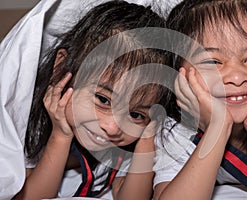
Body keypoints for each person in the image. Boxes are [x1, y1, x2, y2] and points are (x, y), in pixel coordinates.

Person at [12, 1, 173, 199]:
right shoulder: (28, 122)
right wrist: (60, 136)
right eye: (103, 100)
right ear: (61, 68)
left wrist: (147, 140)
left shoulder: (129, 143)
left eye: (135, 114)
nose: (113, 127)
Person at [153, 0, 247, 199]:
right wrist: (217, 128)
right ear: (179, 77)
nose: (237, 78)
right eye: (212, 62)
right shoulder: (176, 131)